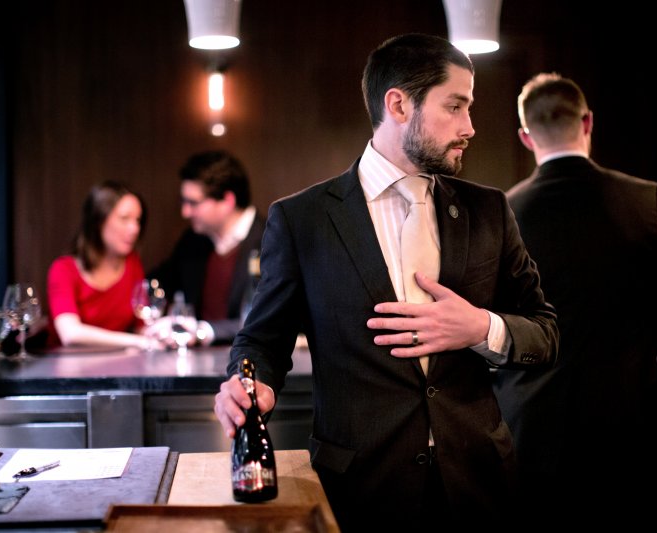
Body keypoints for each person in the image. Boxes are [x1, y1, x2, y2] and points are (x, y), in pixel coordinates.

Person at [213, 34, 558, 531]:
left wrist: (482, 328)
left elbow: (546, 332)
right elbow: (262, 340)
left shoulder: (489, 210)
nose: (470, 127)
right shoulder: (301, 219)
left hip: (481, 486)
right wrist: (250, 382)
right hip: (360, 490)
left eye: (469, 107)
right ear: (398, 104)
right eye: (455, 106)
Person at [491, 72, 657, 520]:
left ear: (525, 136)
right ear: (587, 123)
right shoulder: (643, 199)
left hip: (530, 425)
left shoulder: (504, 213)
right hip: (627, 421)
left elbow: (494, 325)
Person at [147, 150, 266, 345]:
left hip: (249, 366)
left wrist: (204, 331)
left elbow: (269, 319)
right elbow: (157, 285)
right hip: (194, 366)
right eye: (183, 202)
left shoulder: (271, 240)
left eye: (193, 203)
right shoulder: (193, 240)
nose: (185, 212)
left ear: (227, 201)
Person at [46, 180, 158, 350]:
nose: (135, 228)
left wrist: (162, 332)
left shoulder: (132, 264)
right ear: (98, 221)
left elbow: (141, 326)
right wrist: (137, 341)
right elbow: (70, 334)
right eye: (124, 218)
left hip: (115, 365)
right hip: (68, 368)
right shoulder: (63, 269)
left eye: (138, 220)